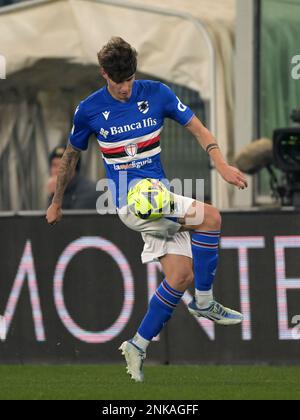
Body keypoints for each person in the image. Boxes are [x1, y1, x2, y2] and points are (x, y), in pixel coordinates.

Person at [46, 37, 248, 382]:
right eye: (118, 81)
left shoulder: (157, 94)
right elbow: (71, 156)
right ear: (103, 74)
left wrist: (222, 164)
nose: (125, 88)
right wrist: (56, 201)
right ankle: (203, 301)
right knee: (211, 217)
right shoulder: (89, 110)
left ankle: (137, 345)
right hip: (131, 203)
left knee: (180, 276)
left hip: (159, 198)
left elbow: (197, 128)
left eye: (129, 80)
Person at [47, 145, 99, 210]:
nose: (58, 170)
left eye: (62, 166)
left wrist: (57, 195)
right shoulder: (55, 189)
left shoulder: (88, 191)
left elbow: (72, 218)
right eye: (54, 165)